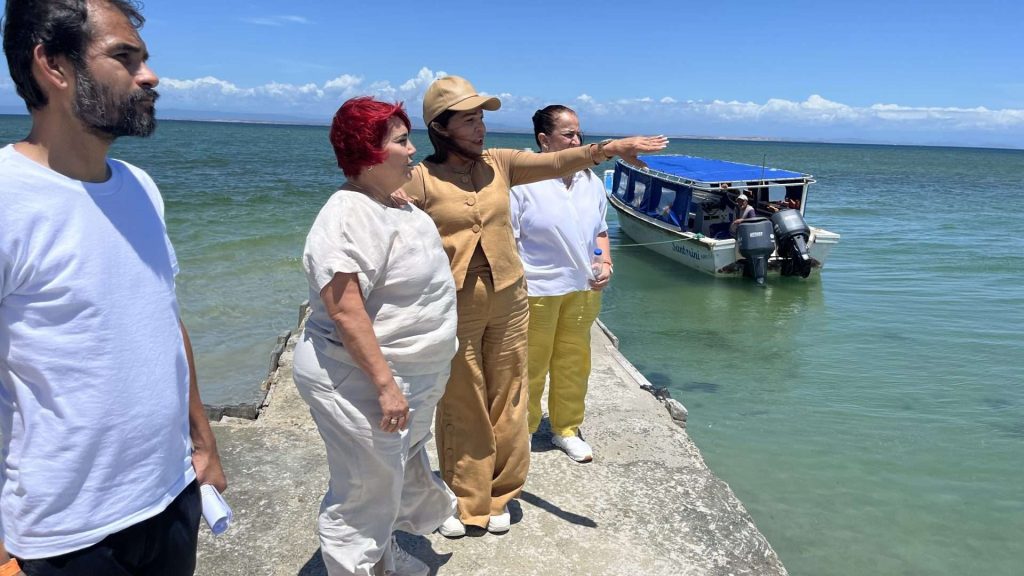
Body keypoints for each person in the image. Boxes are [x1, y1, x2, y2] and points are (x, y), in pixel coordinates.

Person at [0, 1, 226, 574]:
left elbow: (163, 320)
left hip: (170, 494)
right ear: (53, 66)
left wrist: (203, 444)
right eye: (124, 58)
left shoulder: (140, 187)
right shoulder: (9, 198)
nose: (149, 76)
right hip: (68, 530)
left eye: (144, 59)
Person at [402, 75, 667, 537]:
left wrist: (608, 148)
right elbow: (392, 229)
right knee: (462, 401)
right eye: (469, 120)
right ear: (440, 127)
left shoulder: (501, 164)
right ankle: (466, 496)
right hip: (455, 304)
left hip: (510, 298)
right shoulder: (421, 178)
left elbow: (561, 160)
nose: (481, 128)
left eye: (482, 118)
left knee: (510, 396)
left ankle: (501, 492)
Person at [292, 97, 459, 576]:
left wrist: (390, 198)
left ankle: (382, 558)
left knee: (391, 477)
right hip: (360, 379)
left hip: (412, 375)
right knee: (364, 492)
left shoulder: (388, 204)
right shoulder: (347, 216)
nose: (413, 151)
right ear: (369, 152)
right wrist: (386, 387)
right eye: (402, 141)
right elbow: (345, 311)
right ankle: (357, 566)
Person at [509, 105, 611, 463]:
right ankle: (520, 432)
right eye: (568, 134)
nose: (577, 140)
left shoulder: (591, 181)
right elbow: (510, 238)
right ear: (544, 141)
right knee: (530, 366)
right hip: (536, 289)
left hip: (583, 288)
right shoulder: (523, 182)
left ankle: (565, 429)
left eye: (579, 133)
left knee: (574, 362)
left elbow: (600, 230)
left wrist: (605, 259)